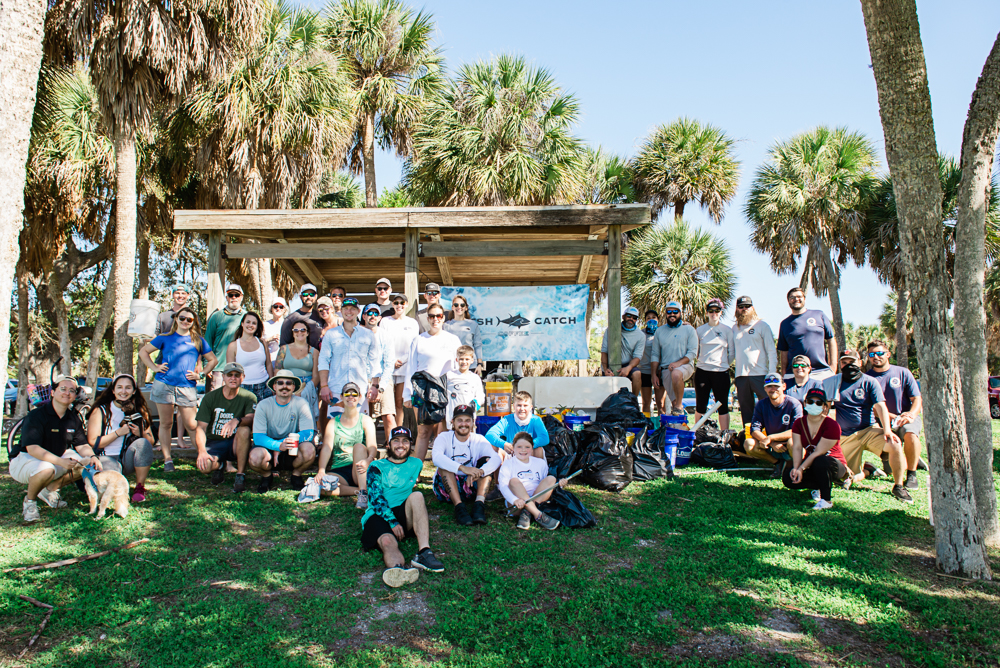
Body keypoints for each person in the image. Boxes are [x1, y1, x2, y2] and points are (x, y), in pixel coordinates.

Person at [10, 374, 103, 522]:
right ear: (53, 392)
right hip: (25, 461)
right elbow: (32, 449)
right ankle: (30, 502)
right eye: (63, 389)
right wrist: (60, 462)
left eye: (72, 390)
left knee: (85, 463)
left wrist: (92, 457)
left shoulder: (73, 417)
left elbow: (82, 445)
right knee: (46, 468)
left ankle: (49, 490)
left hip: (54, 460)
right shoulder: (36, 415)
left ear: (75, 395)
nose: (67, 393)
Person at [361, 426, 445, 588]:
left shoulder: (416, 464)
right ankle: (398, 569)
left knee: (417, 496)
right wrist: (392, 521)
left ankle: (424, 552)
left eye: (405, 441)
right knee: (387, 541)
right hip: (378, 515)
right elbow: (376, 498)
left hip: (403, 511)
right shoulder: (376, 466)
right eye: (396, 441)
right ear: (388, 445)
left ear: (411, 444)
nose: (401, 445)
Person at [138, 306, 218, 473]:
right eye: (182, 318)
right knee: (166, 423)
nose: (185, 322)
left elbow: (212, 360)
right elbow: (143, 352)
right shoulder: (164, 338)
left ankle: (202, 455)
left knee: (192, 424)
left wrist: (201, 374)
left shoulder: (198, 340)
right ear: (176, 319)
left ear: (193, 322)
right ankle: (168, 459)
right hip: (164, 385)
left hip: (186, 387)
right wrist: (154, 367)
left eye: (189, 319)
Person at [832, 350, 911, 503]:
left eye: (852, 361)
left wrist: (887, 430)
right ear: (840, 364)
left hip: (868, 430)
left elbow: (881, 406)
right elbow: (826, 407)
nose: (848, 365)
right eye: (844, 362)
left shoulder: (870, 381)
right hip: (845, 435)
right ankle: (869, 470)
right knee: (843, 478)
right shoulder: (834, 381)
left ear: (860, 363)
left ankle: (899, 486)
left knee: (894, 444)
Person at [403, 303, 462, 460]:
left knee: (443, 433)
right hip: (423, 389)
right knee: (423, 432)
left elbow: (458, 366)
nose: (435, 319)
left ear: (443, 318)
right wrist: (407, 395)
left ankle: (441, 473)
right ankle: (415, 472)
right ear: (427, 318)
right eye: (432, 316)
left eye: (439, 316)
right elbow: (410, 368)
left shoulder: (453, 340)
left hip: (446, 389)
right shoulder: (418, 340)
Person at [87, 373, 156, 503]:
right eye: (119, 387)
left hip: (126, 459)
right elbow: (93, 442)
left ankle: (139, 487)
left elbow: (150, 442)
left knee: (143, 443)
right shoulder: (101, 410)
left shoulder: (139, 411)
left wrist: (140, 434)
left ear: (134, 391)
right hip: (105, 458)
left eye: (128, 388)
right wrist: (118, 433)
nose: (123, 391)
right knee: (112, 487)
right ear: (113, 390)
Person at [864, 339, 923, 489]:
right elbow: (873, 407)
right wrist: (892, 418)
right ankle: (894, 459)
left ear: (888, 354)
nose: (876, 357)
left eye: (880, 353)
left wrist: (911, 415)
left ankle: (911, 474)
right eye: (872, 354)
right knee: (890, 471)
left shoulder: (902, 372)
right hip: (881, 423)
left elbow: (916, 398)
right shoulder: (867, 378)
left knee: (910, 434)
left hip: (905, 418)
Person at [432, 405, 501, 526]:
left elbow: (496, 459)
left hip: (471, 485)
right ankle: (459, 507)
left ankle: (479, 505)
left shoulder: (479, 439)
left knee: (487, 461)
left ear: (473, 422)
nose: (463, 424)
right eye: (459, 420)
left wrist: (480, 472)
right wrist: (464, 469)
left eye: (467, 420)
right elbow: (436, 458)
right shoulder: (443, 437)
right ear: (452, 422)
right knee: (445, 466)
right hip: (446, 488)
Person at [194, 363, 257, 493]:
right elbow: (200, 428)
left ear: (243, 378)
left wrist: (237, 420)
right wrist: (201, 451)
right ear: (223, 377)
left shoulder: (248, 397)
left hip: (236, 441)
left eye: (237, 375)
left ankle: (240, 475)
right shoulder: (210, 397)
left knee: (244, 429)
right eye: (229, 375)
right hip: (215, 441)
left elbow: (251, 419)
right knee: (205, 467)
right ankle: (220, 465)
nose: (233, 378)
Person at [250, 370, 317, 493]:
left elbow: (308, 433)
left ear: (293, 387)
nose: (284, 386)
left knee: (309, 450)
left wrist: (282, 445)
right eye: (280, 383)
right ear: (274, 387)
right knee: (255, 458)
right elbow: (258, 437)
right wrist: (276, 446)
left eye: (288, 383)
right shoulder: (263, 405)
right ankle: (266, 476)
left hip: (293, 447)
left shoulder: (302, 403)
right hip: (268, 448)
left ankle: (296, 475)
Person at [784, 387, 850, 510]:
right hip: (812, 464)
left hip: (833, 464)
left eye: (819, 403)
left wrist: (802, 468)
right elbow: (797, 447)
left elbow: (819, 452)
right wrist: (796, 468)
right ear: (805, 403)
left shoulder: (832, 425)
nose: (814, 405)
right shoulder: (799, 423)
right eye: (810, 401)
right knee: (788, 477)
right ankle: (820, 485)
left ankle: (826, 500)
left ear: (825, 407)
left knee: (820, 460)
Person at [316, 382, 378, 508]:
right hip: (340, 469)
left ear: (360, 397)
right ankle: (360, 491)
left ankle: (363, 491)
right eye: (347, 394)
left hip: (360, 467)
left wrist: (368, 459)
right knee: (319, 486)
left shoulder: (365, 420)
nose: (351, 397)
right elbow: (327, 448)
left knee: (359, 447)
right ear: (342, 397)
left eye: (354, 394)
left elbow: (372, 446)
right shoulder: (333, 422)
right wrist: (321, 470)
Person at [318, 297, 380, 423]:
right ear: (341, 311)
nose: (349, 311)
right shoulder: (331, 334)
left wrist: (374, 386)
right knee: (336, 428)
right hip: (336, 388)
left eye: (352, 309)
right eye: (346, 308)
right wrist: (324, 385)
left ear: (358, 311)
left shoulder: (368, 334)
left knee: (360, 427)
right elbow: (323, 360)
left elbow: (375, 362)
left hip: (360, 389)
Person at [498, 432, 566, 531]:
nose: (523, 450)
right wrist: (514, 500)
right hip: (517, 505)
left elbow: (545, 486)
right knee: (513, 481)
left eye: (527, 447)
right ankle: (539, 515)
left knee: (551, 478)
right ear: (513, 447)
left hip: (538, 501)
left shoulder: (540, 463)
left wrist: (560, 484)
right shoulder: (508, 464)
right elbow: (503, 486)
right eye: (519, 447)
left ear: (532, 447)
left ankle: (528, 512)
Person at [740, 374, 802, 478]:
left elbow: (795, 431)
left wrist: (771, 438)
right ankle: (778, 463)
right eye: (769, 386)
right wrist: (772, 443)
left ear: (784, 386)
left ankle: (793, 465)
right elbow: (754, 429)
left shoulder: (794, 404)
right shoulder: (761, 404)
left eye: (776, 386)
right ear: (764, 388)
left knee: (793, 442)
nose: (773, 389)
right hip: (771, 445)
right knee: (748, 444)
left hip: (788, 443)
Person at [153, 284, 193, 448]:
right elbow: (153, 339)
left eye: (183, 293)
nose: (180, 296)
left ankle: (181, 439)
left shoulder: (191, 316)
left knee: (183, 408)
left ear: (188, 296)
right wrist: (155, 366)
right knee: (166, 414)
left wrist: (198, 368)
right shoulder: (163, 316)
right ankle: (166, 449)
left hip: (184, 368)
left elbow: (196, 342)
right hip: (165, 366)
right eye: (177, 293)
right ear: (173, 295)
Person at [732, 295, 777, 427]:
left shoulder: (762, 325)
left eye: (747, 306)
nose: (744, 309)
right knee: (746, 412)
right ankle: (749, 440)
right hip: (741, 376)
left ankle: (771, 436)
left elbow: (771, 351)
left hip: (761, 374)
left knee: (768, 407)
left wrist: (772, 373)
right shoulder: (734, 328)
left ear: (753, 308)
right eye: (741, 307)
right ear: (737, 310)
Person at [777, 287, 838, 380]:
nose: (796, 299)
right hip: (794, 373)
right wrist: (784, 373)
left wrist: (833, 366)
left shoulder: (819, 315)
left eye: (799, 296)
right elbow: (783, 351)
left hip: (821, 372)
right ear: (788, 301)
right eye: (792, 297)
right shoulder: (785, 323)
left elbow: (831, 339)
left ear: (804, 298)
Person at [649, 301, 698, 416]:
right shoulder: (660, 331)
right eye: (669, 312)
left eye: (675, 311)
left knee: (676, 374)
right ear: (665, 314)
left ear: (680, 313)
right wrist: (654, 375)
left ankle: (679, 407)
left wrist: (678, 363)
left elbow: (692, 353)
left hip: (685, 366)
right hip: (666, 369)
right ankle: (678, 424)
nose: (672, 314)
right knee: (672, 403)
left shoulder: (689, 329)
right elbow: (655, 354)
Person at [694, 298, 736, 430]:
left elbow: (732, 352)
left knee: (722, 406)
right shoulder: (699, 330)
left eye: (717, 310)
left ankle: (725, 435)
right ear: (706, 313)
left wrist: (722, 364)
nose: (714, 313)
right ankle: (697, 433)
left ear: (721, 312)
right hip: (702, 371)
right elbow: (696, 351)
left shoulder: (727, 330)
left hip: (721, 372)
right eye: (711, 311)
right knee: (701, 405)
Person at [381, 293, 419, 429]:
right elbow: (382, 343)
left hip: (405, 367)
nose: (399, 305)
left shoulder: (412, 323)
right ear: (392, 305)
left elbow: (414, 345)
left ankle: (399, 431)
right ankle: (389, 435)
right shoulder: (385, 321)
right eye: (396, 303)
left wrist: (402, 361)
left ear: (406, 305)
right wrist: (391, 362)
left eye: (402, 303)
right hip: (387, 367)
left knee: (400, 402)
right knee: (387, 405)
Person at [274, 321, 321, 423]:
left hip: (307, 386)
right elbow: (277, 370)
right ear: (292, 333)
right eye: (296, 330)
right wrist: (286, 387)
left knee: (305, 419)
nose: (299, 332)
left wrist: (304, 391)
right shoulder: (283, 349)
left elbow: (316, 376)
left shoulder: (314, 352)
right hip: (287, 385)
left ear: (307, 333)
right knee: (286, 420)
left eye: (303, 330)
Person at [363, 303, 398, 433]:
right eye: (369, 313)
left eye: (375, 314)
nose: (372, 316)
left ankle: (393, 444)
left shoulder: (386, 335)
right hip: (363, 379)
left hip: (384, 379)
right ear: (364, 316)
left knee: (388, 416)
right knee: (363, 417)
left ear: (379, 318)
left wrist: (380, 387)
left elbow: (389, 363)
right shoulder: (357, 334)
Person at [484, 390, 549, 461]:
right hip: (512, 452)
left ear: (530, 407)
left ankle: (538, 472)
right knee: (495, 448)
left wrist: (526, 446)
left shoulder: (536, 420)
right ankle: (496, 471)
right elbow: (489, 435)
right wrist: (504, 444)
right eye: (519, 405)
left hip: (530, 453)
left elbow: (545, 438)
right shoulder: (507, 419)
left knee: (539, 450)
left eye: (525, 406)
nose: (522, 409)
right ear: (514, 406)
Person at [226, 311, 275, 402]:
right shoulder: (233, 346)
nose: (251, 325)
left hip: (263, 386)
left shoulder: (262, 343)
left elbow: (268, 364)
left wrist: (271, 385)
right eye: (248, 322)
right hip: (243, 388)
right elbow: (230, 371)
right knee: (245, 416)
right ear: (242, 324)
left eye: (254, 323)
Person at [205, 283, 246, 389]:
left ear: (241, 297)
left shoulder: (247, 317)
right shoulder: (216, 316)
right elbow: (208, 341)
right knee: (217, 401)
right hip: (219, 367)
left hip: (241, 368)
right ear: (226, 297)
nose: (234, 298)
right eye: (231, 295)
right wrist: (207, 364)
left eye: (236, 295)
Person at [600, 306, 645, 396]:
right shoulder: (611, 330)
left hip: (627, 364)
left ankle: (634, 401)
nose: (631, 319)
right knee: (608, 392)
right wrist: (605, 369)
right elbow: (604, 351)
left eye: (634, 317)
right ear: (623, 316)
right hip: (610, 364)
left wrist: (628, 368)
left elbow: (637, 357)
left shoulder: (641, 335)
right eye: (629, 316)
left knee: (637, 374)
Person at [444, 345, 485, 430]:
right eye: (461, 359)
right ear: (457, 360)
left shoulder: (475, 378)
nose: (464, 362)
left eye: (467, 359)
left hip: (469, 419)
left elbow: (481, 396)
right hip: (452, 419)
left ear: (472, 361)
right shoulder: (449, 376)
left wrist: (475, 404)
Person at [443, 295, 485, 373]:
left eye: (462, 305)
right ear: (452, 307)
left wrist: (479, 364)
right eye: (456, 305)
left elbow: (478, 345)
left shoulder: (473, 324)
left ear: (466, 308)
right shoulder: (445, 326)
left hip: (470, 365)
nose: (459, 307)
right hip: (452, 366)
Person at [279, 283, 324, 349]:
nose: (308, 297)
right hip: (298, 358)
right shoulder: (290, 319)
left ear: (316, 296)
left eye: (312, 294)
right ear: (300, 297)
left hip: (319, 357)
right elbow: (283, 346)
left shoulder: (321, 316)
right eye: (305, 294)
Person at [637, 310, 663, 416]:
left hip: (660, 371)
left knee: (660, 403)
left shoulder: (663, 333)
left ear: (658, 319)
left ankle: (663, 426)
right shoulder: (641, 334)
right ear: (645, 320)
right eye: (648, 318)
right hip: (645, 371)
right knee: (646, 403)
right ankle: (647, 425)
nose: (651, 319)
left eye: (654, 317)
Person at [263, 297, 287, 362]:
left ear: (285, 309)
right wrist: (270, 339)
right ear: (271, 308)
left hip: (285, 362)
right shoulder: (264, 325)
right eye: (275, 306)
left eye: (281, 307)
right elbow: (258, 344)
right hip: (268, 362)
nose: (278, 309)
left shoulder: (288, 325)